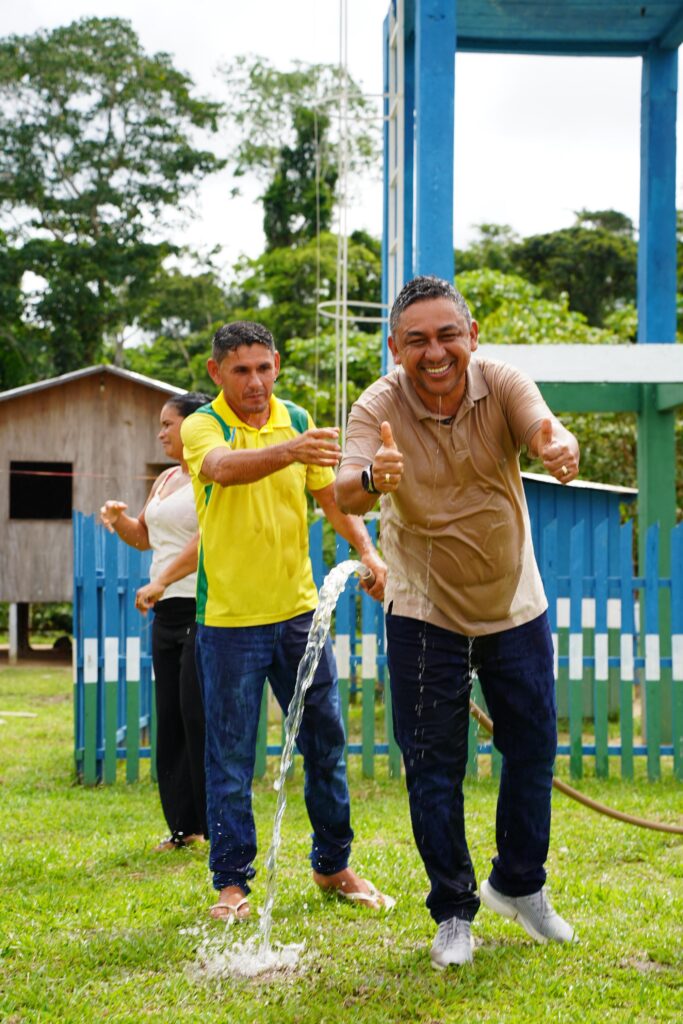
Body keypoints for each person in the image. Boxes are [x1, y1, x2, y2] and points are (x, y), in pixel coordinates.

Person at [335, 275, 580, 969]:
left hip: (512, 602)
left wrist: (557, 444)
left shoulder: (500, 381)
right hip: (423, 607)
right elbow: (342, 485)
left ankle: (519, 885)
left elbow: (542, 427)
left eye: (447, 335)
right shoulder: (375, 404)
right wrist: (373, 480)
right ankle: (452, 911)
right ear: (394, 347)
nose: (434, 350)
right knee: (433, 766)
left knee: (531, 747)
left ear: (470, 337)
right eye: (416, 340)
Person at [180, 320, 392, 921]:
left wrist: (370, 555)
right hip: (227, 622)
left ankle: (332, 864)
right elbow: (221, 468)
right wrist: (291, 452)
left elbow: (333, 500)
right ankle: (232, 885)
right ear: (216, 372)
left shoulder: (297, 419)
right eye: (241, 371)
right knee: (229, 755)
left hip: (302, 614)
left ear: (278, 364)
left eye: (264, 368)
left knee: (325, 742)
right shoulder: (205, 426)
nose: (255, 382)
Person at [100, 392, 212, 852]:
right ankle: (182, 827)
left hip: (201, 608)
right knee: (169, 716)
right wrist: (120, 520)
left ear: (193, 426)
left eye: (169, 424)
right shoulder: (166, 478)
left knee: (196, 714)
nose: (162, 432)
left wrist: (162, 580)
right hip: (164, 611)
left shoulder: (211, 475)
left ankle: (212, 824)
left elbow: (208, 539)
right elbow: (145, 537)